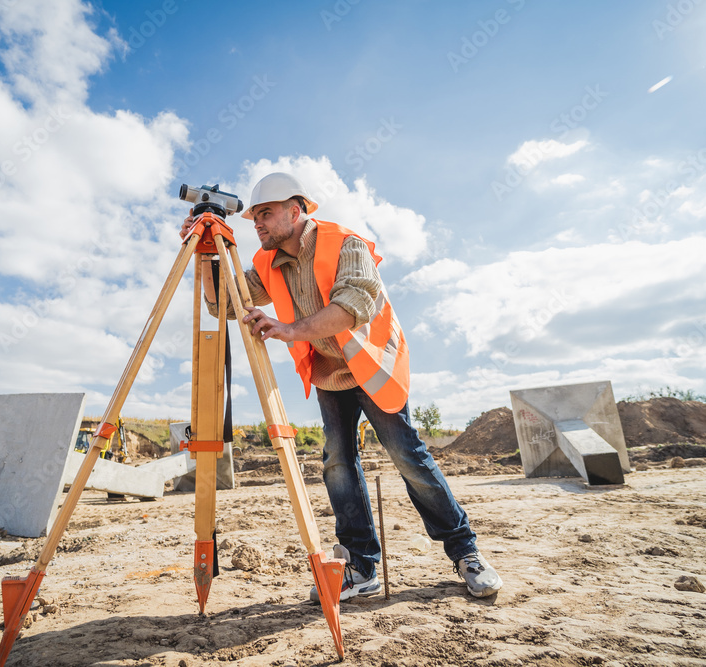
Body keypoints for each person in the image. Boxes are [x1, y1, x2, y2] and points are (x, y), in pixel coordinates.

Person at [179, 172, 503, 600]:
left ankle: (466, 553)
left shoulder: (345, 243)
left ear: (295, 211)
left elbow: (353, 307)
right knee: (337, 462)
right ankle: (361, 566)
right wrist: (204, 257)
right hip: (330, 371)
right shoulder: (266, 261)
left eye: (266, 214)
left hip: (372, 363)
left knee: (408, 456)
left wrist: (290, 328)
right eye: (253, 216)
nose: (256, 224)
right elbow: (223, 303)